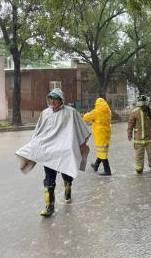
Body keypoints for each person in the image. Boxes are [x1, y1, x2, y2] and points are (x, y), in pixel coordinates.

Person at [16, 89, 91, 218]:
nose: (52, 101)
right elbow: (39, 132)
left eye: (55, 98)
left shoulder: (71, 112)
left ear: (62, 100)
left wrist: (80, 145)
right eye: (50, 98)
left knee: (67, 175)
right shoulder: (45, 113)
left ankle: (68, 187)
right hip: (49, 152)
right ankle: (49, 206)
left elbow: (81, 130)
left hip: (64, 151)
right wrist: (34, 145)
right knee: (49, 179)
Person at [128, 95, 151, 174]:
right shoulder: (134, 112)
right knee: (139, 156)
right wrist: (129, 134)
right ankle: (139, 170)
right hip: (138, 139)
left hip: (150, 138)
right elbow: (130, 124)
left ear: (147, 104)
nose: (143, 107)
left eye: (144, 105)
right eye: (141, 105)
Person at [83, 95, 112, 176]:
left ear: (97, 105)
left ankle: (107, 170)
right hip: (106, 133)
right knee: (102, 150)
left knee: (102, 152)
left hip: (99, 134)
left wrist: (92, 117)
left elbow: (85, 117)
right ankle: (96, 165)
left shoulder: (96, 111)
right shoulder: (108, 111)